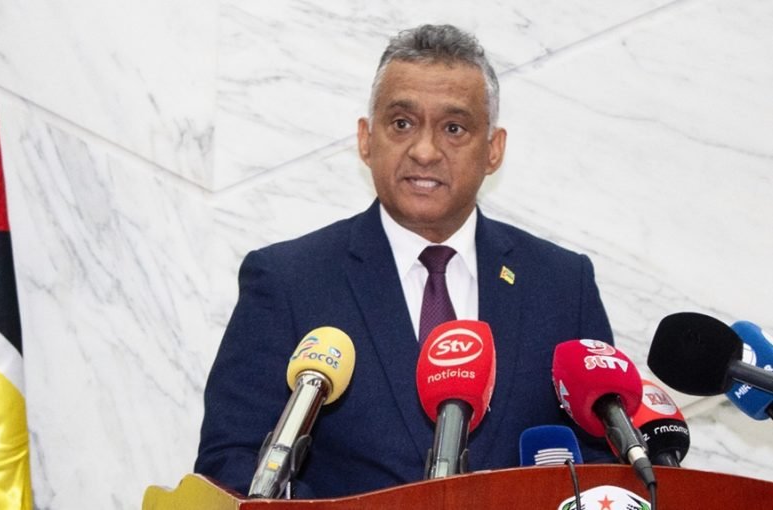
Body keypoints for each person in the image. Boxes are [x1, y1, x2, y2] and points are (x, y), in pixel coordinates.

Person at [195, 24, 614, 499]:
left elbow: (605, 467)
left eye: (453, 128)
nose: (424, 151)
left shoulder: (563, 285)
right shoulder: (288, 281)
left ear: (493, 149)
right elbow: (230, 467)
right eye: (401, 123)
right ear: (365, 139)